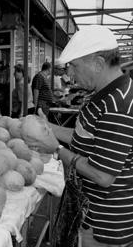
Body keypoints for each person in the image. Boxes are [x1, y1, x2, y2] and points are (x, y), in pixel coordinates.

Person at [29, 25, 133, 246]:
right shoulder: (102, 95)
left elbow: (102, 175)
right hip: (90, 211)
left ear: (98, 63)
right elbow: (85, 136)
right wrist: (48, 127)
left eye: (74, 66)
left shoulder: (117, 105)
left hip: (106, 223)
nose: (70, 75)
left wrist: (57, 150)